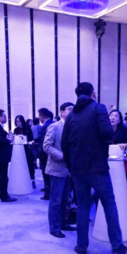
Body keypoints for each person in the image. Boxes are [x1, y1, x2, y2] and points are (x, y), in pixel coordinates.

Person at [61, 82, 127, 254]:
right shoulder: (99, 108)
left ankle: (81, 246)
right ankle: (117, 246)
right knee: (109, 203)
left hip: (77, 169)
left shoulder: (72, 115)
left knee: (83, 206)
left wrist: (70, 166)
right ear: (93, 94)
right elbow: (107, 133)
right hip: (98, 167)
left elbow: (64, 143)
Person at [44, 101, 76, 238]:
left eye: (74, 109)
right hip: (57, 167)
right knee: (55, 200)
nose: (72, 111)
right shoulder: (54, 126)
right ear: (61, 112)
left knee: (66, 199)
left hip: (70, 169)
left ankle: (63, 223)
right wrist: (63, 156)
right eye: (69, 109)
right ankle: (54, 227)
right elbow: (47, 146)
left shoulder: (74, 127)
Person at [35, 108, 55, 199]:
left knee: (46, 173)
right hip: (52, 153)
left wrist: (39, 154)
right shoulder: (53, 123)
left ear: (41, 116)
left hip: (45, 154)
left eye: (39, 115)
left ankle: (48, 193)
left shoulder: (46, 126)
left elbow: (43, 142)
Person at [13, 114, 36, 188]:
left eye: (19, 121)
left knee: (30, 165)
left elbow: (31, 138)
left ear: (22, 121)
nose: (18, 123)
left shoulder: (27, 128)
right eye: (17, 121)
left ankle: (32, 180)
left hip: (27, 149)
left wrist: (25, 139)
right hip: (19, 150)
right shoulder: (15, 130)